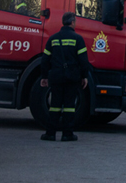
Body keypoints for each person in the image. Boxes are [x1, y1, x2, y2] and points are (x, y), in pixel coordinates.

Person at [39, 12, 91, 142]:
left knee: (54, 105)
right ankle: (67, 134)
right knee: (69, 106)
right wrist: (84, 76)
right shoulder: (78, 39)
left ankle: (50, 134)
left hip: (56, 76)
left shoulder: (53, 39)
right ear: (73, 22)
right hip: (72, 77)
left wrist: (44, 76)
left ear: (63, 22)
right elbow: (83, 60)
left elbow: (45, 60)